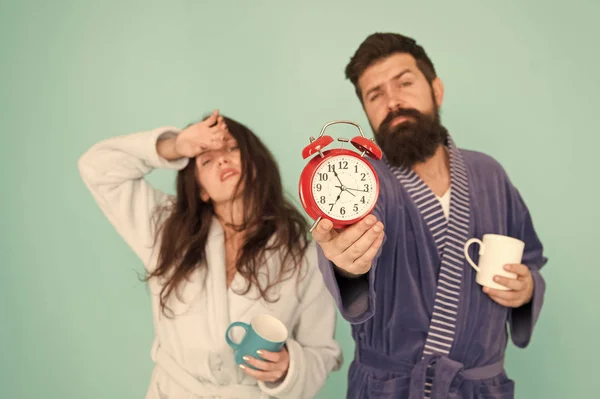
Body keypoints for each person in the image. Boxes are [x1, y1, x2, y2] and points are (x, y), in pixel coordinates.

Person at [312, 33, 547, 398]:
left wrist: (527, 289)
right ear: (366, 112)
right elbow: (345, 253)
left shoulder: (490, 175)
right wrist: (346, 265)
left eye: (404, 83)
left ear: (436, 89)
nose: (393, 101)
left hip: (479, 389)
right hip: (388, 390)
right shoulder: (359, 182)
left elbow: (529, 258)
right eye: (375, 95)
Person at [78, 110, 342, 399]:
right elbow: (98, 168)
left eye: (232, 148)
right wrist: (176, 145)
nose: (222, 159)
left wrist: (288, 368)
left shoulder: (302, 254)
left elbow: (321, 352)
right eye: (206, 158)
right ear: (200, 188)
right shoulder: (165, 229)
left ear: (256, 164)